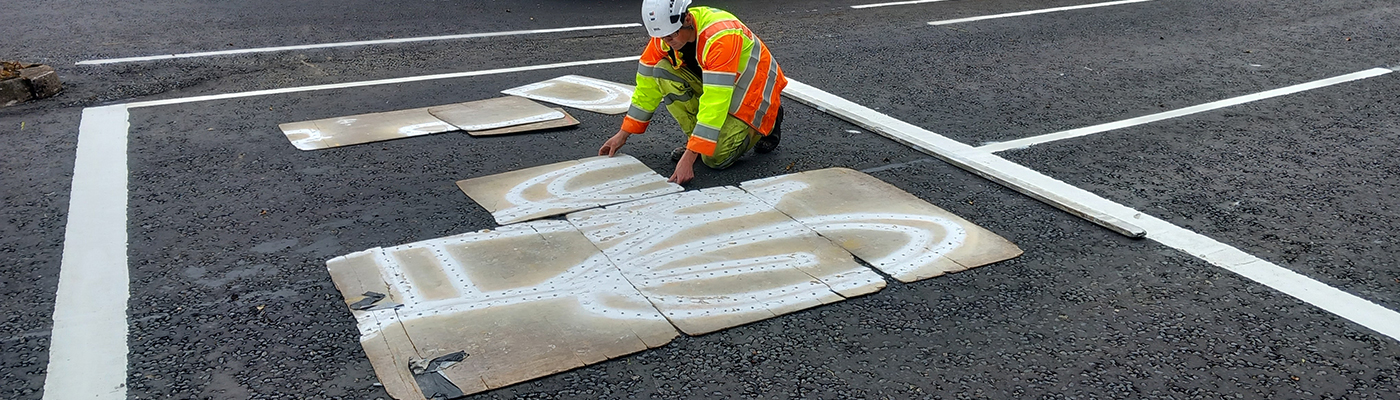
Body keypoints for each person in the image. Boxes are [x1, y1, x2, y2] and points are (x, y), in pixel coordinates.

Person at [598, 0, 787, 184]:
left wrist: (689, 158)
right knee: (662, 70)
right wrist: (622, 135)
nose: (667, 42)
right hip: (720, 86)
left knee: (715, 159)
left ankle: (770, 117)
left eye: (671, 36)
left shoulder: (720, 36)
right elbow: (646, 88)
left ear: (687, 19)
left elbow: (715, 100)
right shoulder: (664, 37)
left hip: (753, 93)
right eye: (662, 37)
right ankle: (696, 142)